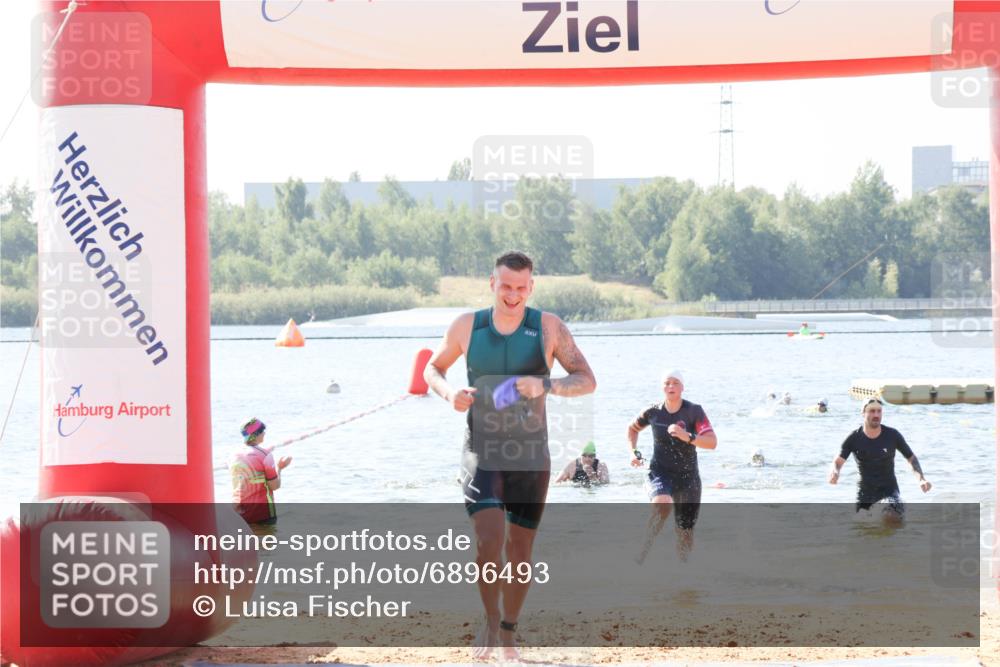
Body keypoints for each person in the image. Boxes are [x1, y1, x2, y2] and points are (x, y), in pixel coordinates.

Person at [424, 251, 597, 660]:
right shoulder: (467, 326)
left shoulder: (549, 328)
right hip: (481, 449)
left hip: (531, 456)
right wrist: (451, 393)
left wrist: (547, 386)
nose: (513, 295)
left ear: (531, 287)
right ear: (492, 283)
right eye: (506, 287)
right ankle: (488, 617)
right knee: (489, 542)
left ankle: (508, 632)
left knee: (520, 552)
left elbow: (587, 380)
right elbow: (433, 368)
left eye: (521, 288)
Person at [628, 370, 717, 563]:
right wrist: (634, 452)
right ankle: (641, 554)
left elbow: (712, 442)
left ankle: (682, 574)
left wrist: (688, 437)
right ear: (662, 387)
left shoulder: (694, 411)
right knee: (663, 503)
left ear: (682, 387)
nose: (670, 387)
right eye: (667, 383)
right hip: (660, 472)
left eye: (675, 383)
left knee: (685, 533)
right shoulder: (652, 412)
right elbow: (632, 429)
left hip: (688, 477)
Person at [828, 398, 932, 525]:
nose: (876, 415)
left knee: (891, 515)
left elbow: (911, 458)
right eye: (872, 411)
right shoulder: (853, 438)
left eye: (879, 411)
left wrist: (921, 479)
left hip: (889, 490)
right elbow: (838, 461)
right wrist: (835, 472)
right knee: (862, 529)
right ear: (863, 413)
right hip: (865, 493)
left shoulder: (892, 435)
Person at [230, 418, 292, 525]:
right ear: (256, 434)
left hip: (238, 515)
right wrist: (280, 468)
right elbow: (274, 486)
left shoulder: (233, 456)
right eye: (262, 430)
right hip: (262, 515)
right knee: (265, 541)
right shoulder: (264, 455)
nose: (264, 433)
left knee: (243, 541)